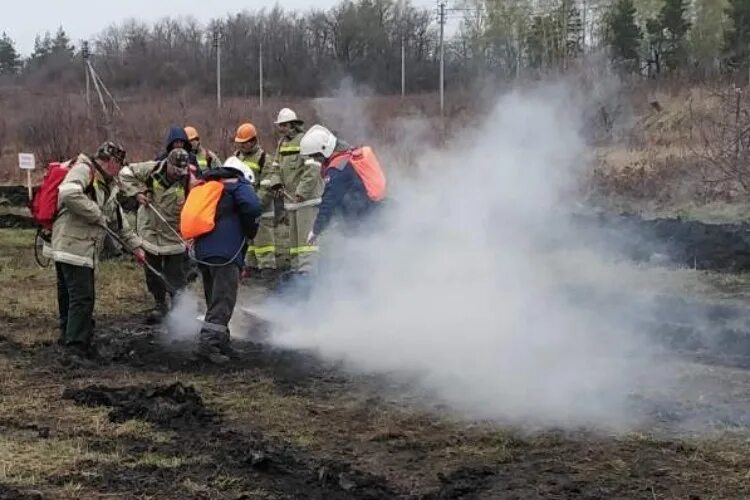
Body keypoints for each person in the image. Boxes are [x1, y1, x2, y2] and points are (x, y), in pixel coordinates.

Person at [51, 141, 145, 365]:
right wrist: (97, 214)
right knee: (82, 298)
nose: (120, 169)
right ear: (110, 161)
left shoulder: (107, 184)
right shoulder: (85, 170)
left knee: (71, 296)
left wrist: (137, 247)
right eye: (119, 164)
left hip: (77, 247)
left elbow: (119, 223)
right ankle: (75, 350)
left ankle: (69, 338)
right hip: (73, 246)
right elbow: (68, 193)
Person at [192, 157, 262, 363]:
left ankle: (221, 341)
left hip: (204, 252)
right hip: (225, 254)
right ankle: (208, 344)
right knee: (223, 300)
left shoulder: (211, 186)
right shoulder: (238, 184)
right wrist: (251, 230)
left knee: (214, 298)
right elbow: (253, 206)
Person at [119, 148, 193, 323]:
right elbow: (125, 173)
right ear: (168, 163)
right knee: (152, 272)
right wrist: (137, 192)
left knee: (176, 274)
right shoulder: (152, 169)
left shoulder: (189, 180)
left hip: (174, 234)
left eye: (181, 171)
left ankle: (179, 308)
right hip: (150, 230)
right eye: (175, 169)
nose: (178, 174)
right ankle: (159, 304)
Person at [300, 125, 386, 244]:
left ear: (324, 150)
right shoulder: (346, 157)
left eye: (316, 156)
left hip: (362, 220)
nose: (315, 160)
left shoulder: (337, 170)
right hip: (373, 212)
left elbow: (329, 202)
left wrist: (316, 230)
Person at [273, 108, 323, 274]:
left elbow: (313, 170)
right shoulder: (282, 144)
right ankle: (296, 272)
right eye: (280, 125)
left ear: (293, 125)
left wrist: (301, 192)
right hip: (291, 201)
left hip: (307, 201)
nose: (281, 128)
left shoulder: (305, 141)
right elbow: (275, 168)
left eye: (284, 125)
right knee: (293, 242)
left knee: (305, 240)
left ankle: (308, 273)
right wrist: (276, 184)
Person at [232, 122, 280, 282]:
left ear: (253, 141)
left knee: (264, 242)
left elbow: (267, 187)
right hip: (244, 209)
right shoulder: (236, 157)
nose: (241, 146)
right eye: (239, 143)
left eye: (243, 142)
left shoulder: (264, 159)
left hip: (262, 210)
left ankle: (268, 272)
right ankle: (250, 269)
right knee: (249, 242)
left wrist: (255, 206)